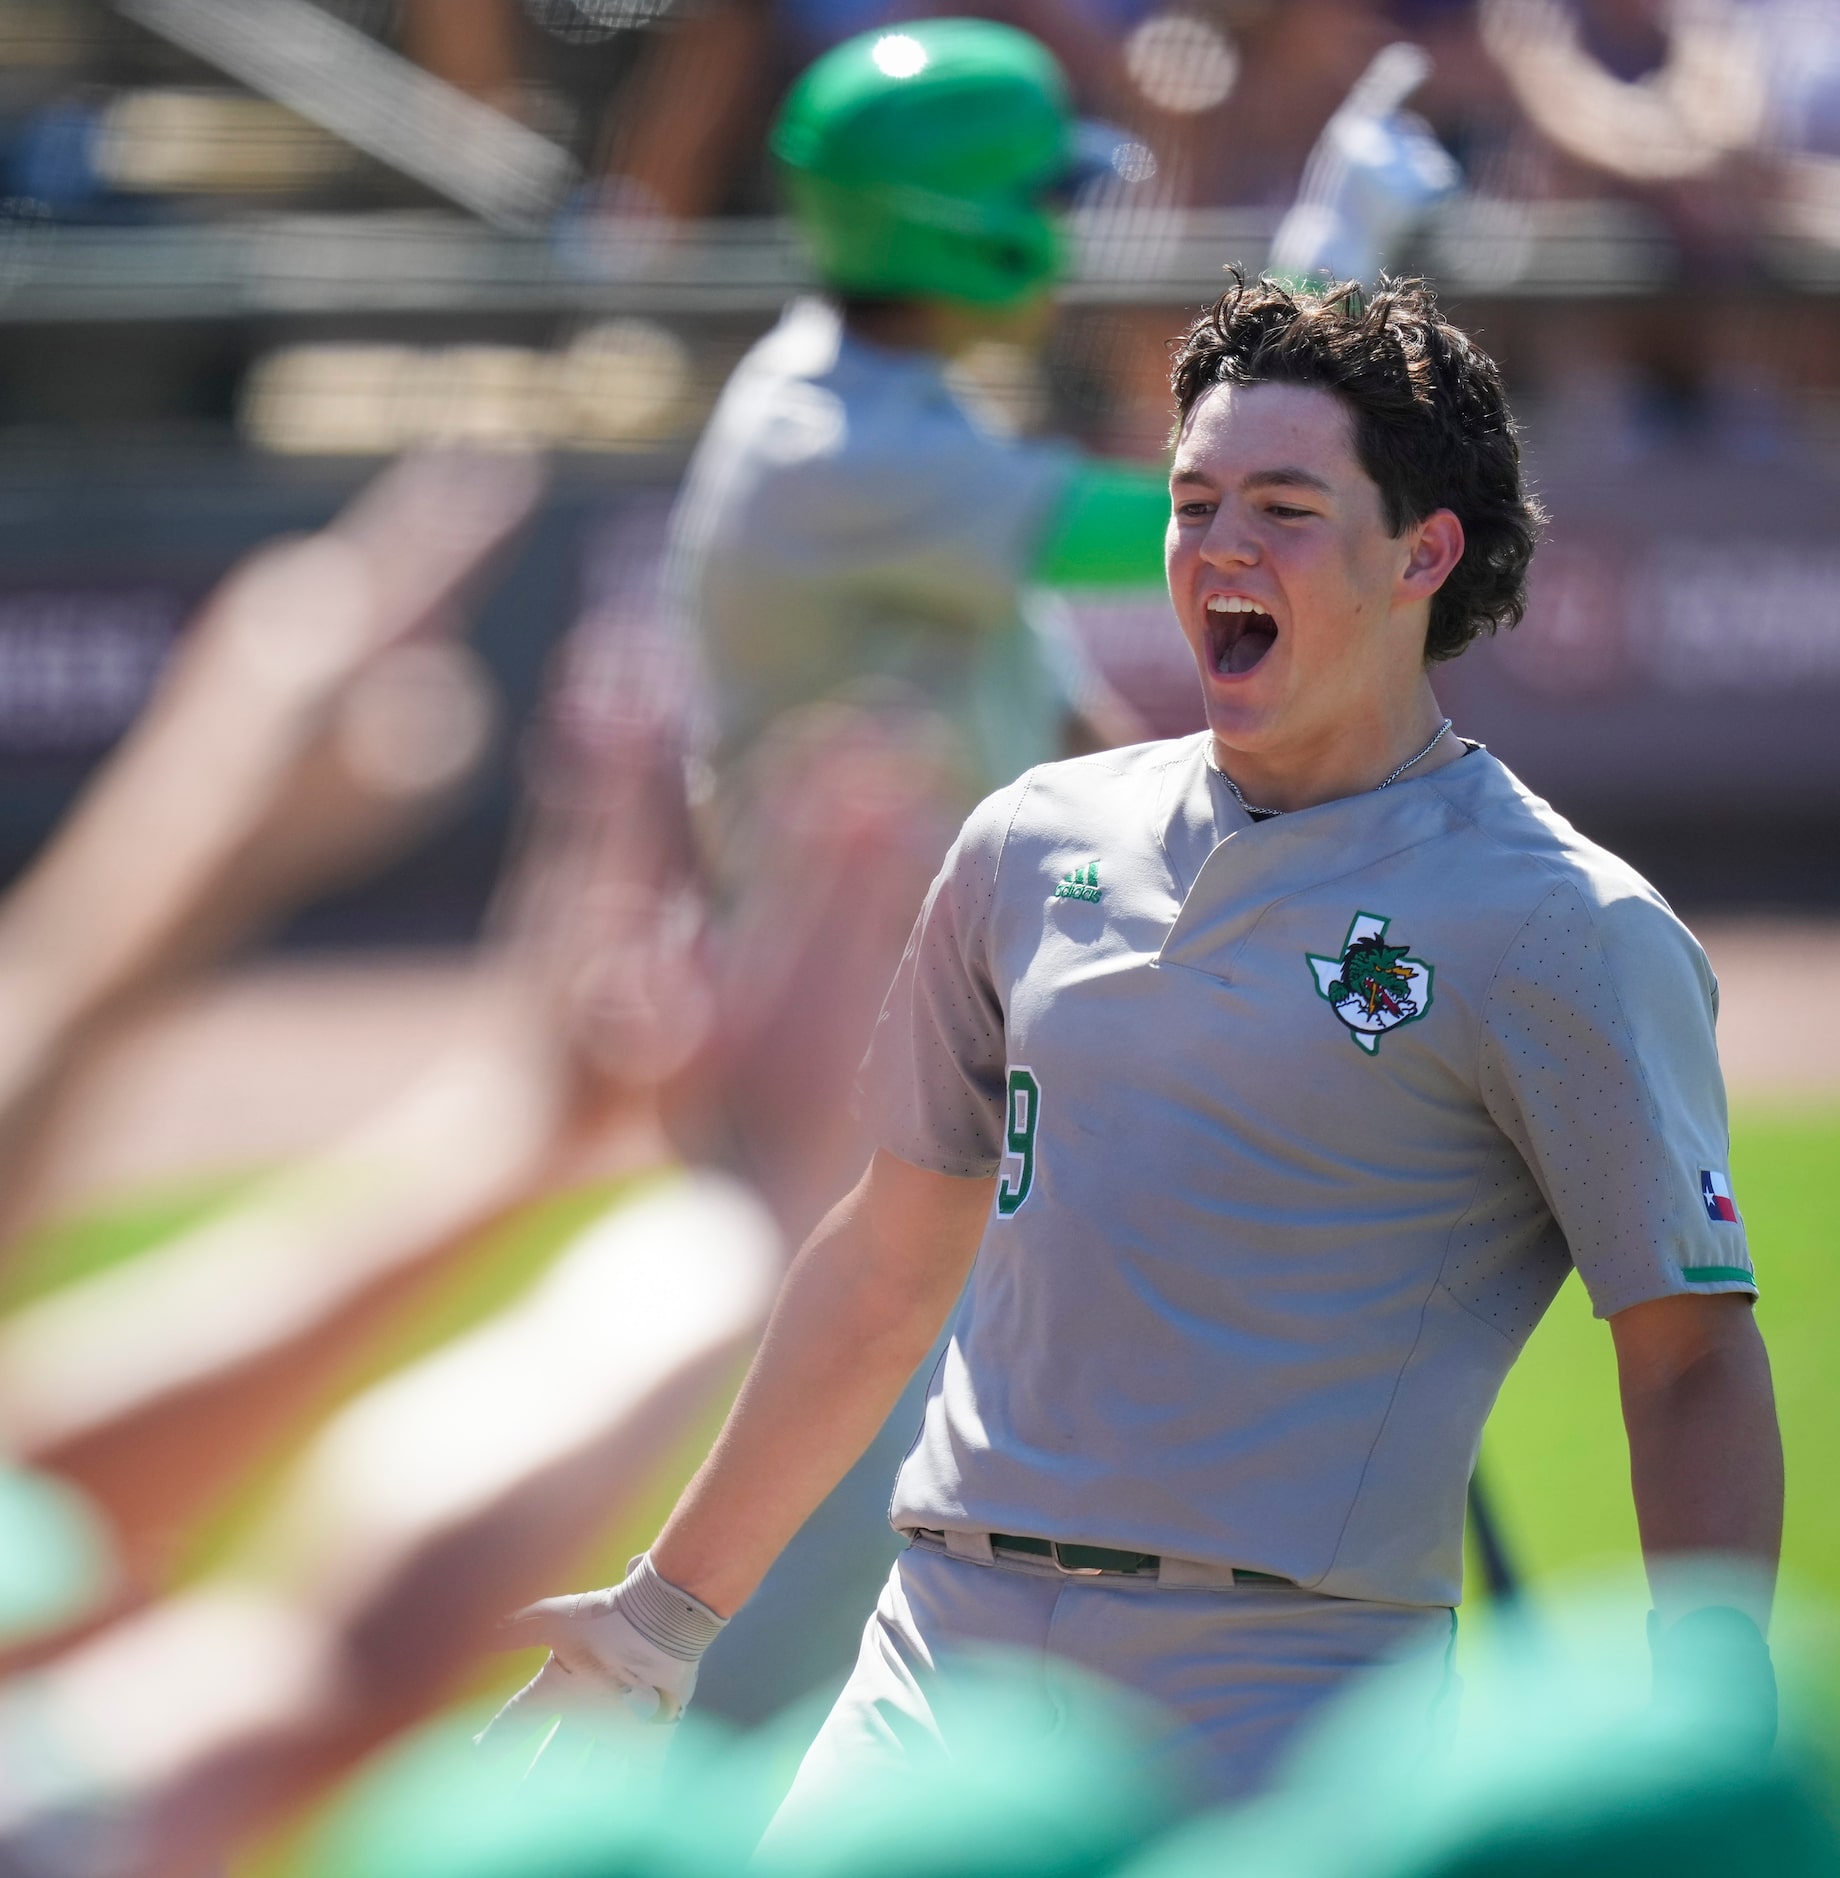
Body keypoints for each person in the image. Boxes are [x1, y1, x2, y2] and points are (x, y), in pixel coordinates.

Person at [493, 270, 1783, 1816]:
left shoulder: (1565, 925)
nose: (1219, 546)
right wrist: (660, 1620)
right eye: (1194, 500)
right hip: (937, 1655)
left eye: (1287, 508)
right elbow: (888, 1255)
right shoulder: (1032, 839)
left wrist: (1715, 1714)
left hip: (1278, 1689)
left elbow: (1690, 1350)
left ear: (1422, 553)